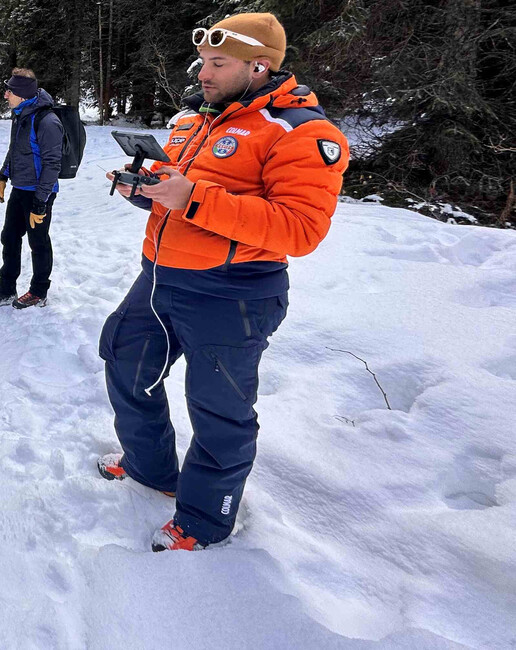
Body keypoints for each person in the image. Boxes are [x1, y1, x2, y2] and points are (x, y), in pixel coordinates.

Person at [97, 13, 349, 551]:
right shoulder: (196, 120)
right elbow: (181, 195)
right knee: (124, 358)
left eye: (219, 63)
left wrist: (190, 197)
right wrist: (145, 190)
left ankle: (205, 519)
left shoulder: (302, 132)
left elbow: (301, 229)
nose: (204, 73)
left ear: (258, 67)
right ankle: (151, 468)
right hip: (161, 276)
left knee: (218, 409)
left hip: (235, 292)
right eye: (203, 62)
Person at [0, 69, 63, 309]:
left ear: (22, 94)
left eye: (10, 91)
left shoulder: (47, 121)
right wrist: (4, 176)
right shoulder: (21, 115)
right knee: (9, 237)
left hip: (39, 191)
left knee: (38, 242)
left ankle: (38, 292)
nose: (5, 95)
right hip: (20, 188)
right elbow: (15, 150)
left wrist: (41, 201)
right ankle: (7, 289)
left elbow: (52, 164)